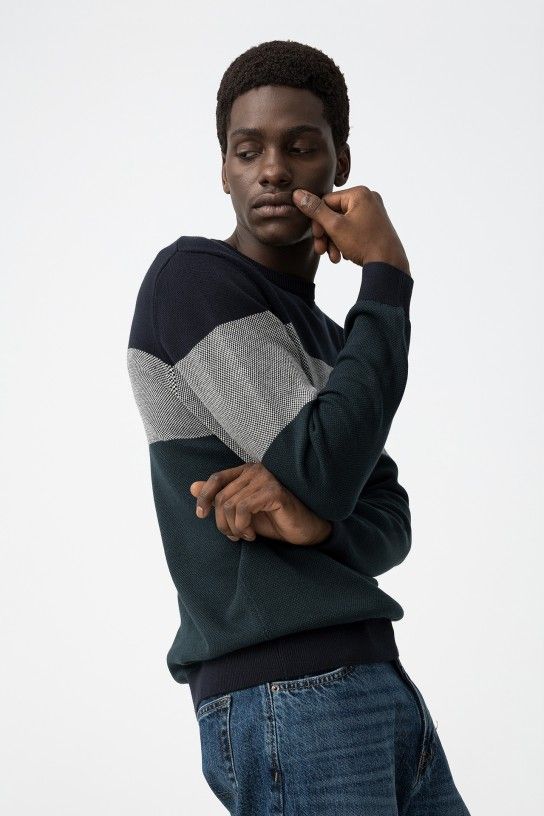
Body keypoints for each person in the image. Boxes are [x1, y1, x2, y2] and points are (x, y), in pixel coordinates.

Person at [127, 39, 471, 815]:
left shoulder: (329, 339)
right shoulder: (192, 281)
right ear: (224, 169)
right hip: (287, 692)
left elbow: (390, 521)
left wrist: (318, 525)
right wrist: (386, 276)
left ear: (339, 161)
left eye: (301, 147)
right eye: (248, 150)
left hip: (377, 683)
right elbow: (324, 469)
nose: (273, 170)